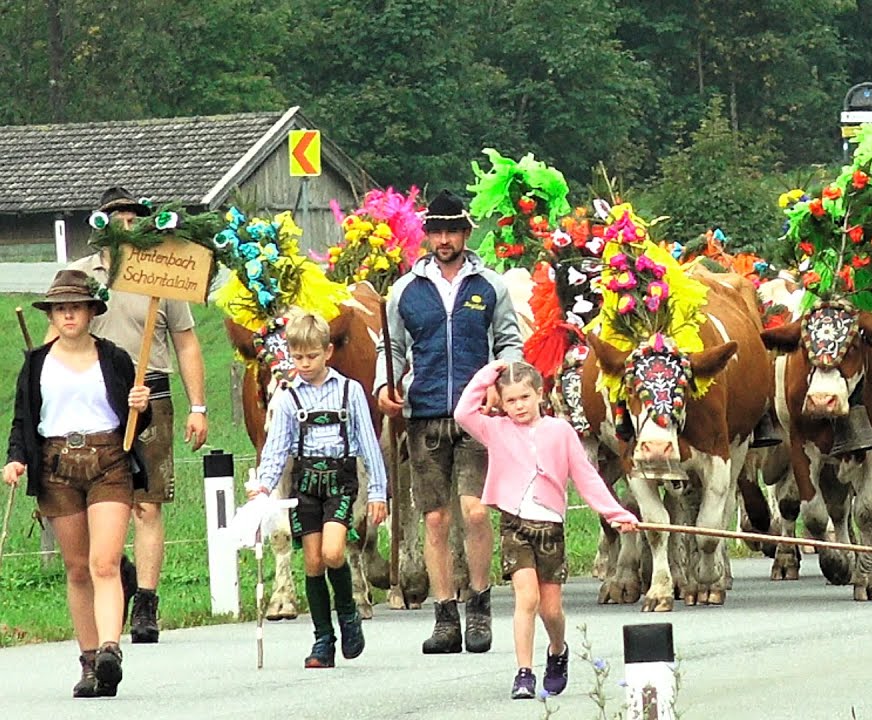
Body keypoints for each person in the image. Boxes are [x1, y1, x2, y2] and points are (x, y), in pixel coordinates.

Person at [375, 189, 524, 655]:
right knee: (436, 518)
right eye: (436, 231)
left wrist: (505, 382)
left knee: (476, 512)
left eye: (451, 231)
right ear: (428, 236)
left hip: (477, 416)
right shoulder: (405, 290)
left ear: (465, 233)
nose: (443, 239)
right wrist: (386, 385)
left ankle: (478, 603)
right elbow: (392, 347)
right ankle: (445, 616)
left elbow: (509, 343)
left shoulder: (489, 286)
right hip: (424, 416)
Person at [60, 186, 209, 644]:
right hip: (95, 400)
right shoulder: (82, 277)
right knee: (95, 501)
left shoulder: (163, 275)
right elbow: (59, 338)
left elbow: (185, 341)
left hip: (153, 392)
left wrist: (198, 405)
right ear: (101, 224)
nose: (125, 224)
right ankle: (113, 572)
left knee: (146, 503)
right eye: (116, 217)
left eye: (133, 218)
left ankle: (145, 602)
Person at [5, 270, 151, 697]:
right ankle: (89, 663)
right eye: (60, 308)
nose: (68, 314)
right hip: (55, 466)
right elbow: (23, 419)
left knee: (103, 562)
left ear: (91, 312)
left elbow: (139, 425)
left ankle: (110, 650)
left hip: (109, 460)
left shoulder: (115, 358)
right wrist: (16, 459)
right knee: (77, 568)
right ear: (52, 314)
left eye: (76, 306)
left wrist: (140, 407)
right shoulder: (36, 364)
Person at [455, 360, 638, 699]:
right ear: (500, 402)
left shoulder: (560, 431)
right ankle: (524, 673)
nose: (518, 406)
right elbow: (463, 413)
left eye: (525, 397)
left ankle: (557, 649)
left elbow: (586, 477)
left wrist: (614, 513)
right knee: (527, 598)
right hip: (515, 526)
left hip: (550, 527)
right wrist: (490, 373)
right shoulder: (495, 430)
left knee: (551, 609)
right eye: (510, 400)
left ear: (540, 394)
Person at [248, 311, 389, 668]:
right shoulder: (288, 398)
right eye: (297, 358)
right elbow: (277, 447)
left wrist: (377, 491)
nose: (305, 364)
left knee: (331, 552)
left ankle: (349, 616)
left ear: (327, 351)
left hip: (340, 482)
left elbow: (368, 442)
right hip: (306, 485)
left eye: (312, 356)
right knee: (311, 561)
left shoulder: (349, 391)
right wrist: (264, 487)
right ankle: (323, 639)